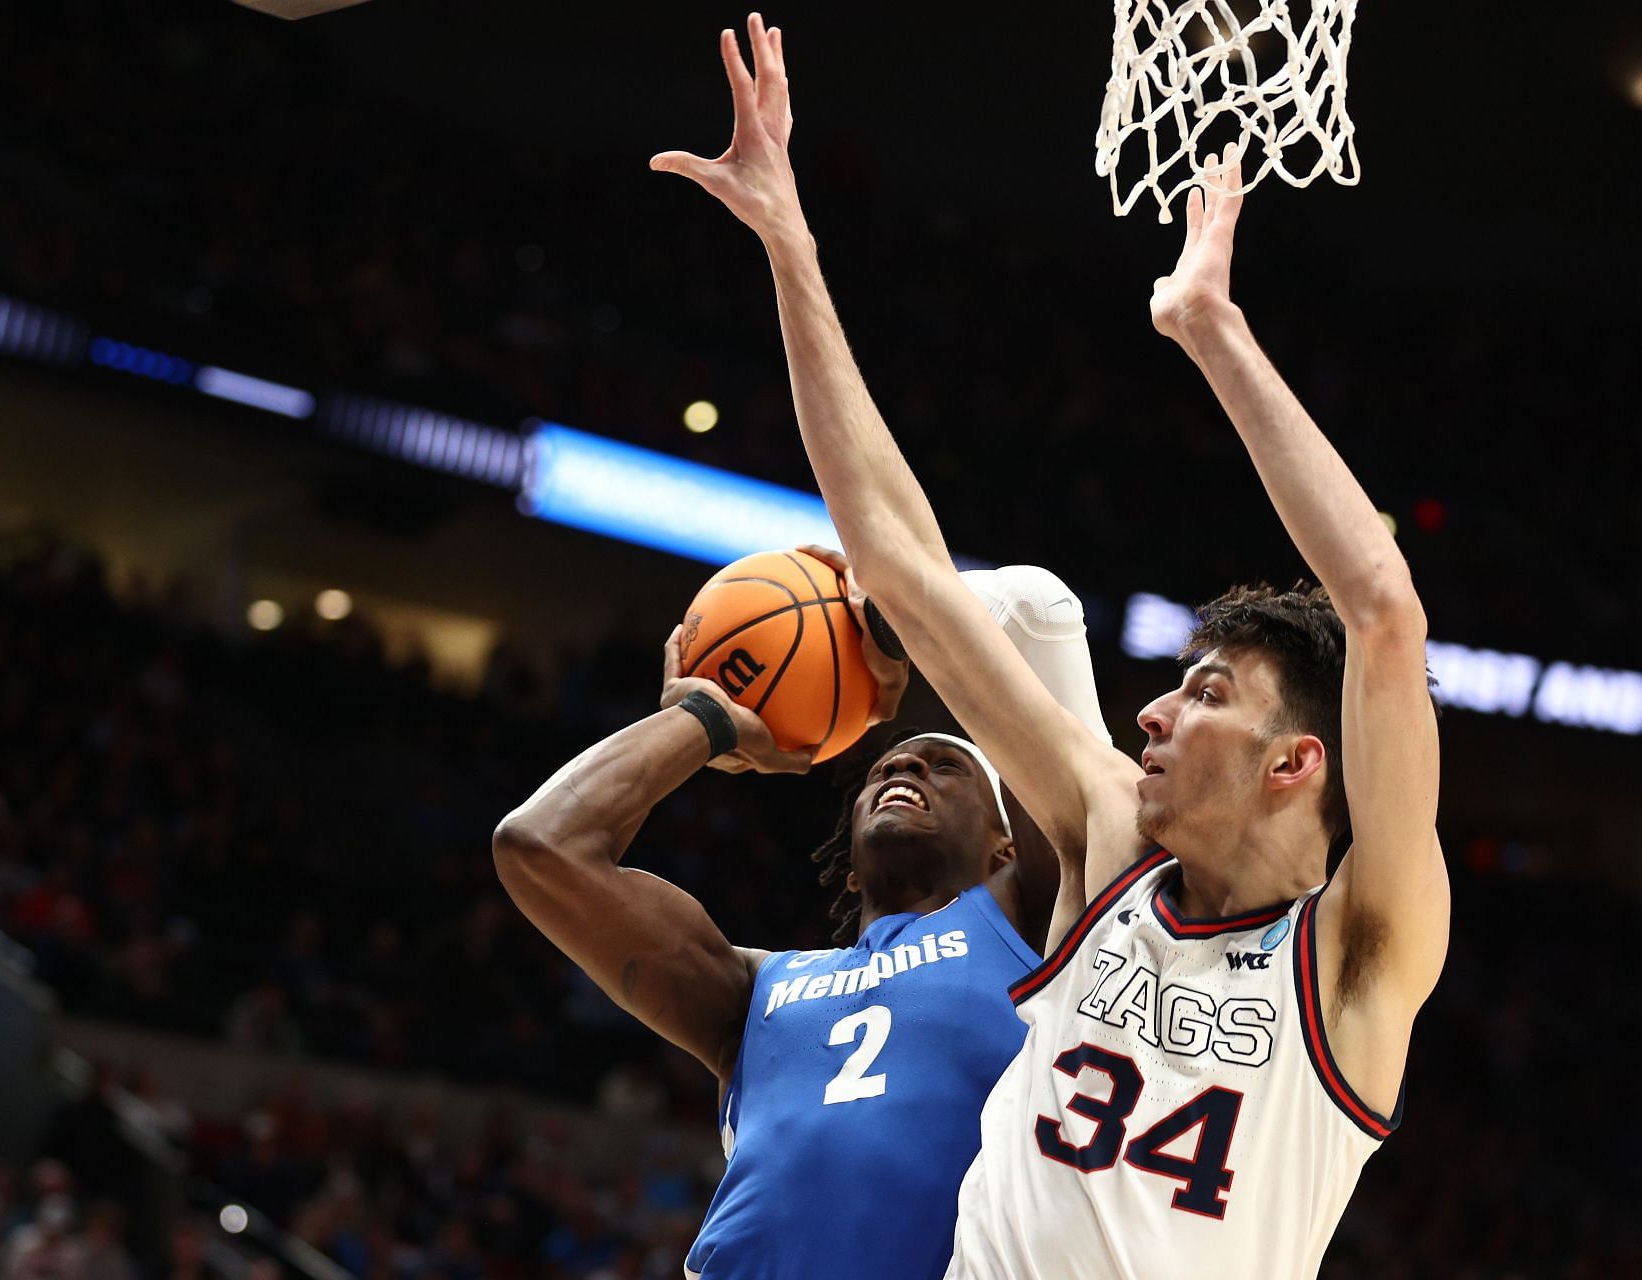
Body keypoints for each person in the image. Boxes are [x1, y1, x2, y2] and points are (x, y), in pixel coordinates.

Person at [651, 17, 1447, 1276]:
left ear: (1297, 759)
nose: (1151, 717)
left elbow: (1386, 615)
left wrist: (1210, 330)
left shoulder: (1357, 956)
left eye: (1204, 693)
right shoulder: (1111, 837)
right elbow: (901, 565)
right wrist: (791, 248)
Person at [494, 551, 1111, 1280]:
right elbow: (541, 847)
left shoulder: (1037, 928)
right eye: (883, 771)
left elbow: (1042, 608)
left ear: (1006, 846)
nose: (904, 768)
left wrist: (881, 623)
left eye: (946, 768)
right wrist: (705, 719)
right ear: (849, 866)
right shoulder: (756, 988)